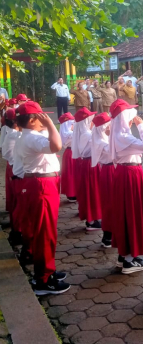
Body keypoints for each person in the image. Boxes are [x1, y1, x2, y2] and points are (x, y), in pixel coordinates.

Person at [14, 101, 70, 295]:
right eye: (40, 117)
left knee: (46, 230)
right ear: (32, 121)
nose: (44, 120)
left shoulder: (29, 135)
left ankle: (47, 271)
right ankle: (43, 279)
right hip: (41, 185)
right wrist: (51, 125)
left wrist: (46, 126)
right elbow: (56, 145)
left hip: (41, 183)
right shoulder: (31, 138)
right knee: (44, 232)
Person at [109, 99, 143, 274]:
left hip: (125, 173)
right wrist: (142, 127)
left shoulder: (119, 134)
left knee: (126, 213)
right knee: (131, 213)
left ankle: (124, 254)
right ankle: (128, 259)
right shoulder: (125, 137)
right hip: (130, 175)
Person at [71, 107, 102, 231]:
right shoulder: (88, 134)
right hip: (90, 164)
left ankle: (91, 218)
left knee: (88, 191)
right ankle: (91, 219)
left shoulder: (80, 133)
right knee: (92, 191)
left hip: (85, 163)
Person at [91, 112, 115, 248]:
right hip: (109, 170)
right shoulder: (101, 141)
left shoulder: (102, 138)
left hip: (110, 170)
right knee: (110, 203)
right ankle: (108, 235)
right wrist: (112, 134)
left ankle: (111, 233)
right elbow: (114, 151)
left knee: (112, 202)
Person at [2, 109, 22, 243]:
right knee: (18, 202)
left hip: (14, 167)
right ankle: (17, 231)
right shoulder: (15, 135)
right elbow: (7, 153)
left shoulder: (12, 133)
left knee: (16, 200)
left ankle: (17, 230)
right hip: (16, 169)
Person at [59, 112, 76, 202]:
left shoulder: (64, 133)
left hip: (68, 153)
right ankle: (72, 193)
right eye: (72, 123)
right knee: (72, 173)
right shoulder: (69, 134)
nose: (73, 125)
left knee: (70, 172)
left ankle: (71, 192)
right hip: (72, 153)